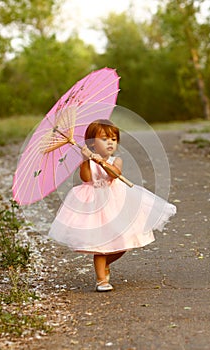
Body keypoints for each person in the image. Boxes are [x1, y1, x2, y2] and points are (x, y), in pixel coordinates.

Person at [49, 119, 176, 292]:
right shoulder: (87, 159)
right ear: (92, 143)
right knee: (100, 245)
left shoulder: (117, 160)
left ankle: (105, 264)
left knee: (126, 238)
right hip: (93, 203)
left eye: (114, 139)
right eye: (104, 139)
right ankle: (101, 279)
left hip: (117, 200)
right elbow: (86, 178)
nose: (110, 142)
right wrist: (86, 160)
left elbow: (115, 174)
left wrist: (101, 161)